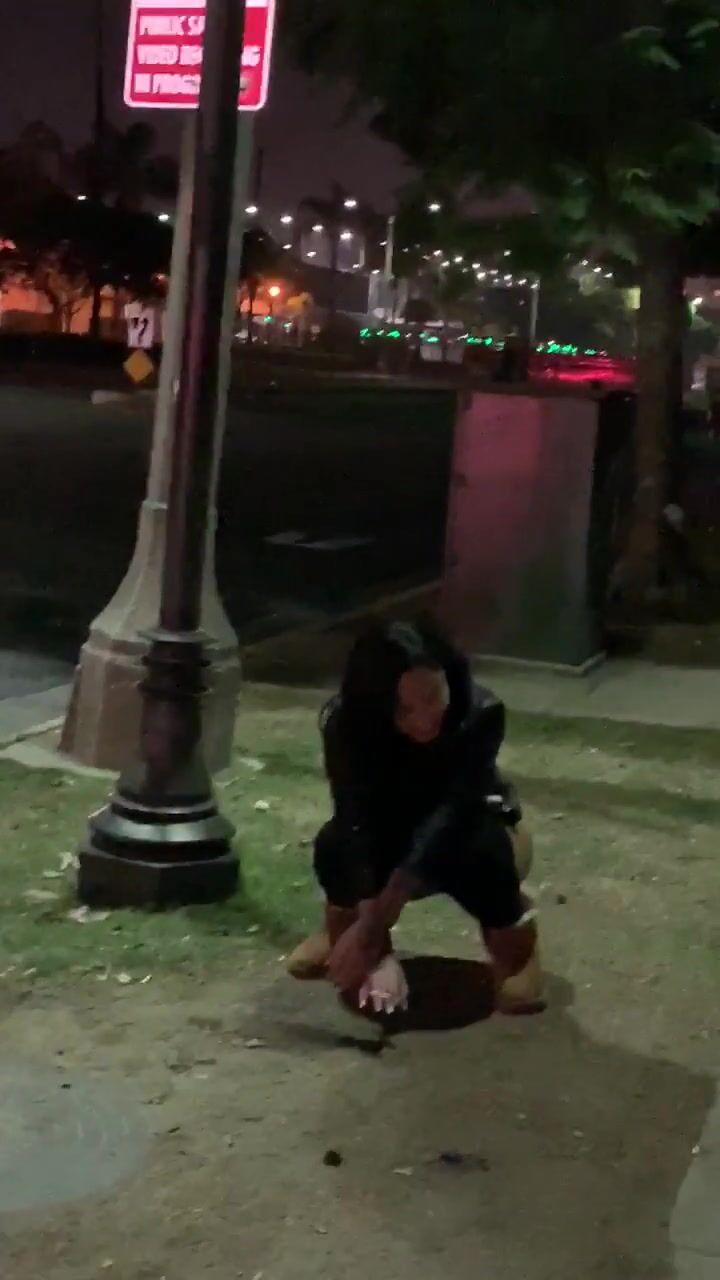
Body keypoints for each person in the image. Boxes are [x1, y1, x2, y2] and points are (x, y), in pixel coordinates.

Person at [287, 619, 544, 1017]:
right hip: (387, 832)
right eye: (404, 709)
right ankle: (340, 925)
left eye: (432, 697)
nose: (424, 719)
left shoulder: (480, 713)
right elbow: (354, 815)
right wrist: (375, 947)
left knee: (481, 851)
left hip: (463, 830)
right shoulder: (347, 724)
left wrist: (371, 931)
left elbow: (454, 813)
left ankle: (514, 942)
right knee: (336, 845)